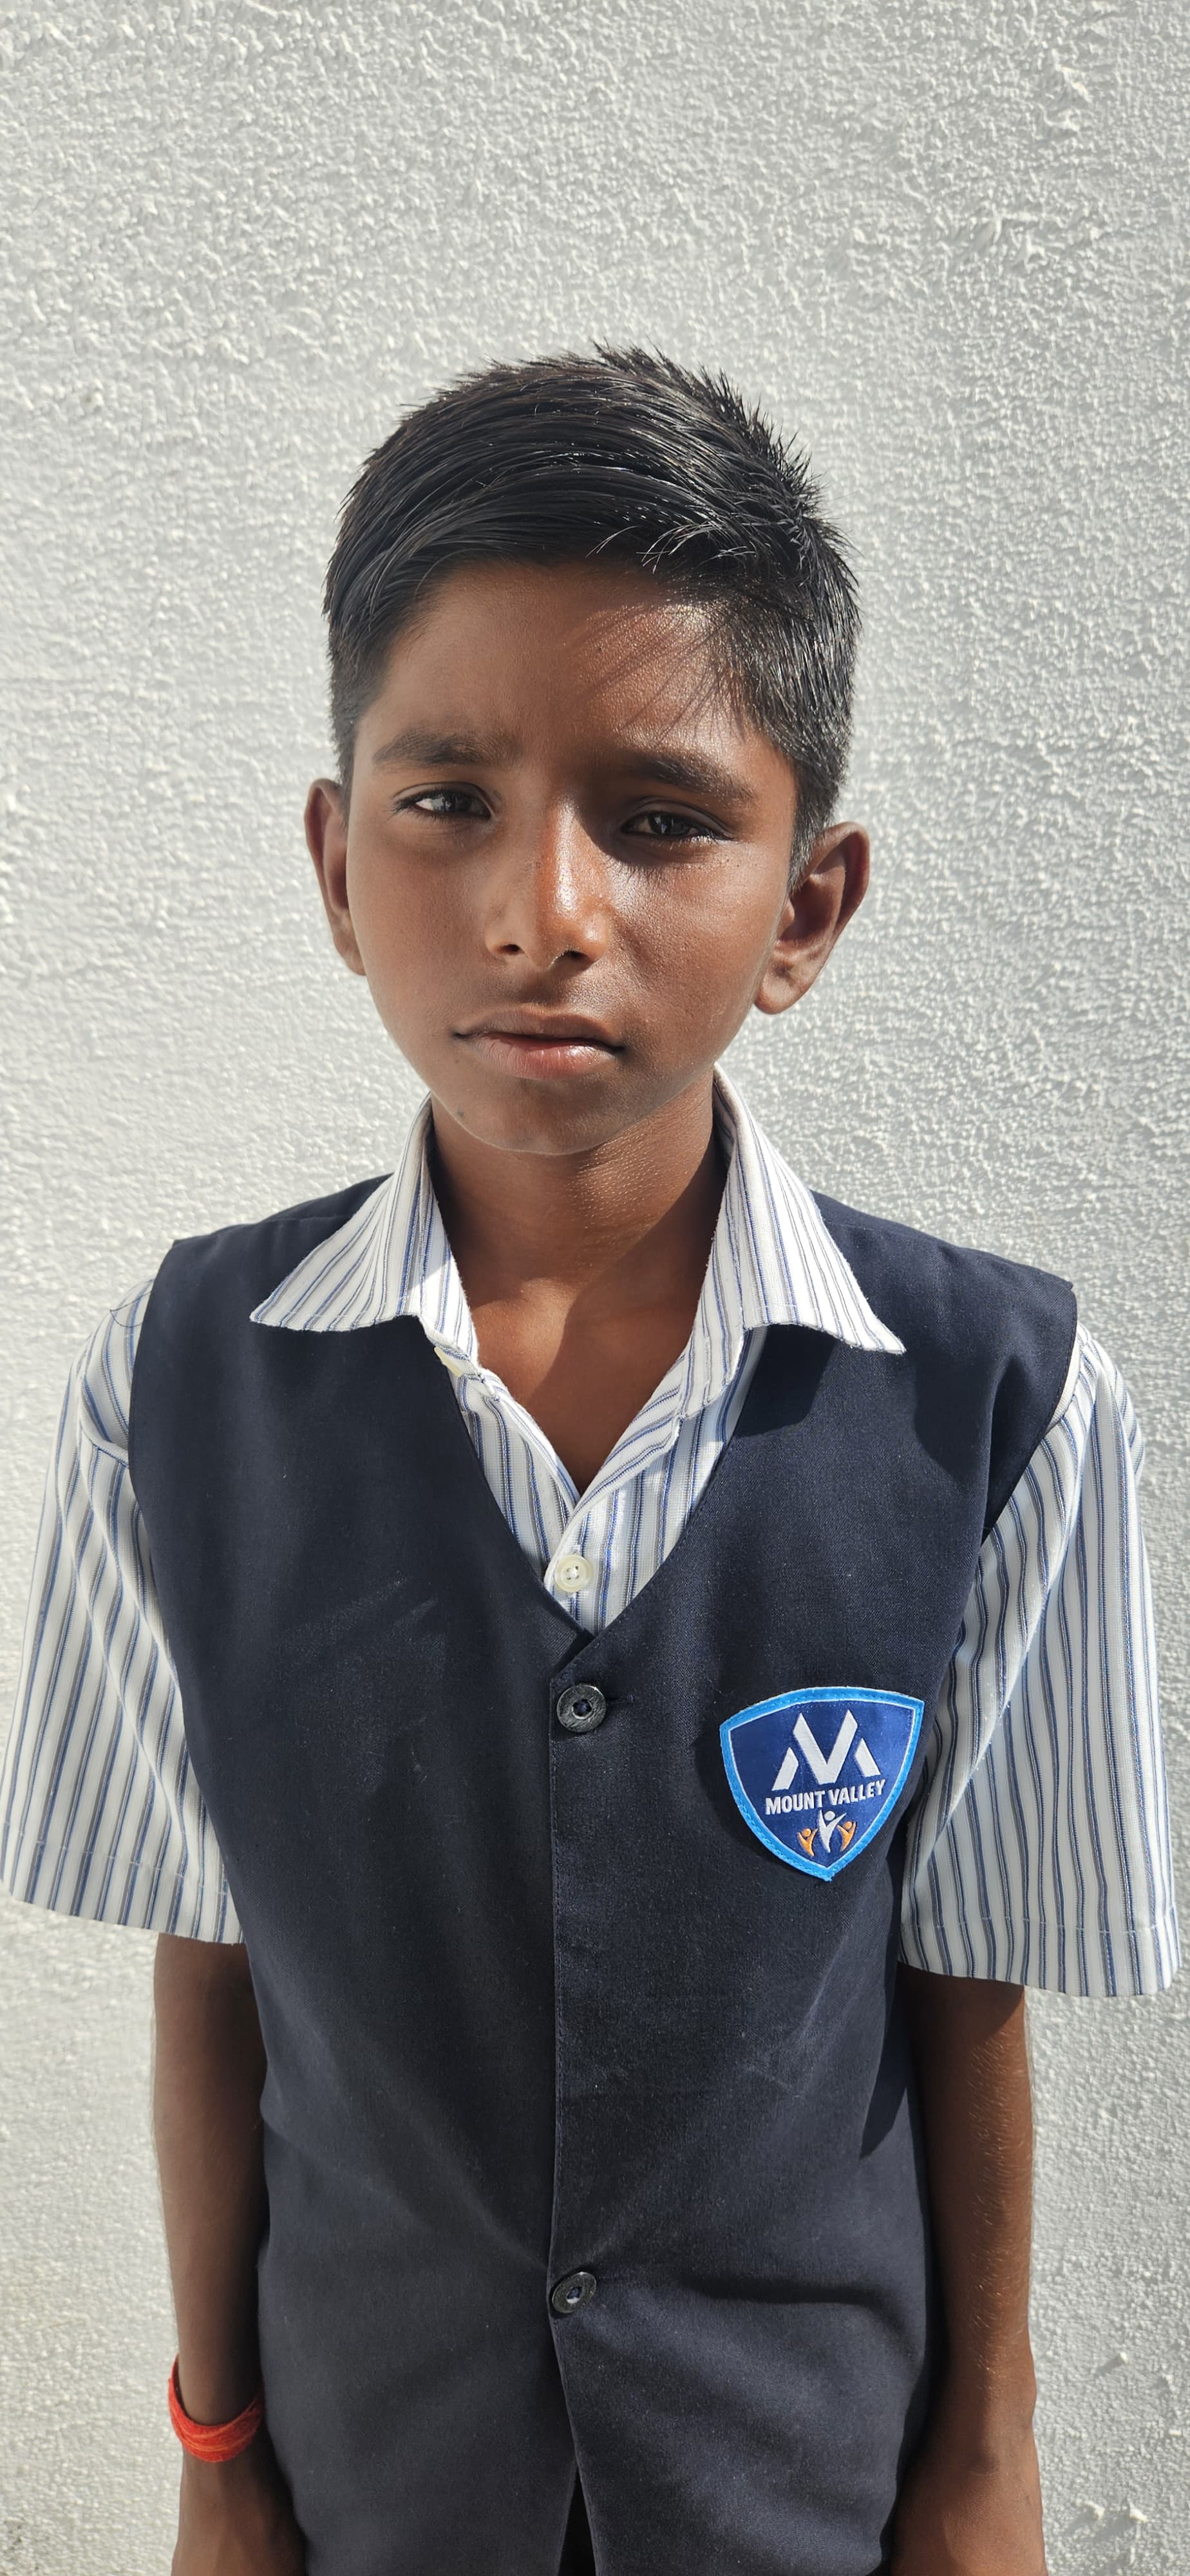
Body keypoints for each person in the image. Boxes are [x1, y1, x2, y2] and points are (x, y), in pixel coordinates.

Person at [0, 347, 1178, 2576]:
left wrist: (985, 2465)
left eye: (660, 818)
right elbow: (211, 1970)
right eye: (450, 798)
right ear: (337, 863)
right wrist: (216, 2453)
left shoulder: (1003, 1401)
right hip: (370, 2493)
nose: (547, 905)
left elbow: (967, 1993)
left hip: (798, 2497)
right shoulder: (175, 1390)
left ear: (807, 903)